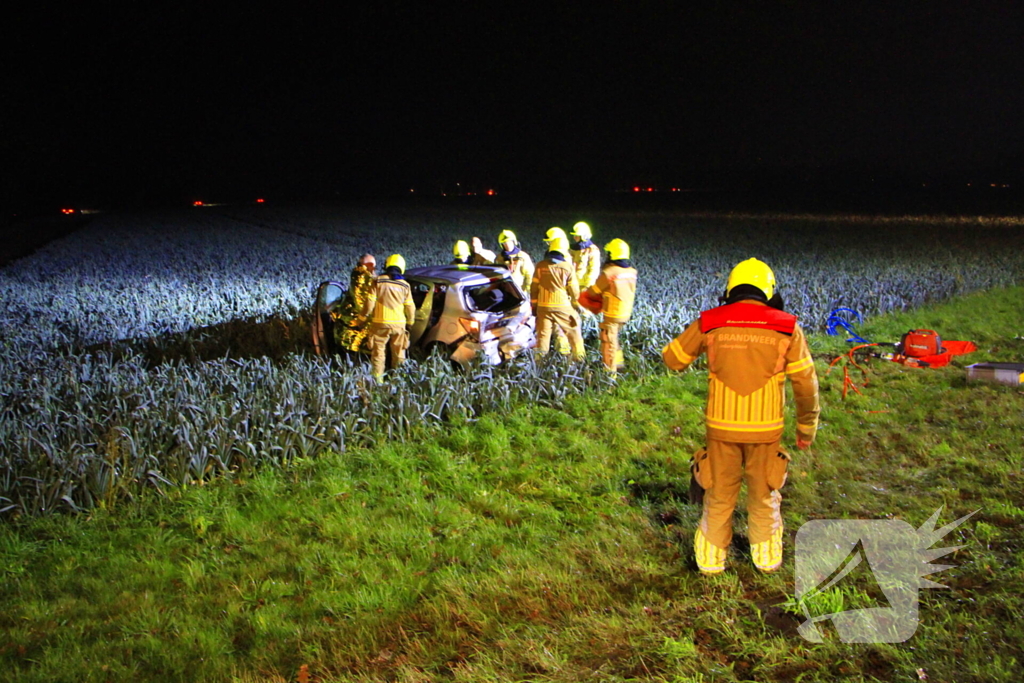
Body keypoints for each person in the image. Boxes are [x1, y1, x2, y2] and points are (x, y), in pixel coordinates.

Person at [662, 258, 819, 575]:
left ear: (731, 288)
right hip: (766, 428)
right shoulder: (787, 325)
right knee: (763, 495)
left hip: (721, 427)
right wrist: (806, 428)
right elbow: (805, 382)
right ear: (769, 290)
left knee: (719, 494)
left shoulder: (711, 320)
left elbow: (673, 359)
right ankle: (766, 560)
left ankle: (709, 562)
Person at [580, 238, 636, 372]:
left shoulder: (609, 273)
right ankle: (619, 364)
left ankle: (610, 374)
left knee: (608, 342)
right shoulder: (631, 272)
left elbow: (594, 292)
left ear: (612, 254)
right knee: (614, 338)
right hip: (625, 313)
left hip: (612, 313)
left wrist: (582, 296)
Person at [530, 234, 585, 361]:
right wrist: (577, 304)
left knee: (543, 337)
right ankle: (579, 359)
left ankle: (539, 363)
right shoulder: (567, 267)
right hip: (562, 307)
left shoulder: (540, 266)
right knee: (574, 331)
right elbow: (574, 291)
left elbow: (534, 288)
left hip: (543, 308)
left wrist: (534, 306)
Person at [361, 254, 415, 380]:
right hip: (399, 325)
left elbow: (369, 304)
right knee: (399, 353)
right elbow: (410, 307)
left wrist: (362, 318)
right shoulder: (405, 285)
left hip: (380, 324)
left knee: (378, 354)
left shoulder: (378, 281)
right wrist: (410, 322)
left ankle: (378, 380)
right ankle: (398, 379)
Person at [334, 253, 377, 354]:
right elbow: (362, 303)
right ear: (369, 265)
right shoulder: (362, 277)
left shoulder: (358, 275)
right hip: (355, 323)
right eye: (373, 265)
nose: (374, 268)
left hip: (351, 320)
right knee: (353, 350)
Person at [570, 221, 602, 289]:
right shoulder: (572, 249)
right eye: (574, 235)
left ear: (584, 236)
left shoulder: (592, 249)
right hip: (572, 284)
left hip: (583, 286)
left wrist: (588, 286)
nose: (574, 237)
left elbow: (594, 270)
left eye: (577, 236)